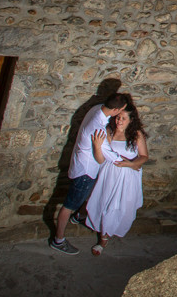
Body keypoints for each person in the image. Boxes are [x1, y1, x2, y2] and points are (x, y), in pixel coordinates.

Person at [49, 92, 130, 255]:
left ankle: (79, 216)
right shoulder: (97, 128)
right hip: (85, 172)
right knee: (68, 206)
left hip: (81, 164)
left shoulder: (96, 109)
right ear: (115, 110)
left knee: (88, 195)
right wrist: (129, 162)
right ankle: (58, 240)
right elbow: (107, 157)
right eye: (121, 110)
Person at [85, 104, 149, 255]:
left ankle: (109, 232)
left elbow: (144, 156)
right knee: (105, 204)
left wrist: (131, 164)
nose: (119, 121)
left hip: (127, 175)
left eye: (123, 118)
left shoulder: (136, 134)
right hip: (109, 174)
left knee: (120, 206)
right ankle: (103, 239)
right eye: (118, 117)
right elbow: (101, 160)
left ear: (131, 120)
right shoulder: (109, 131)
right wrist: (96, 146)